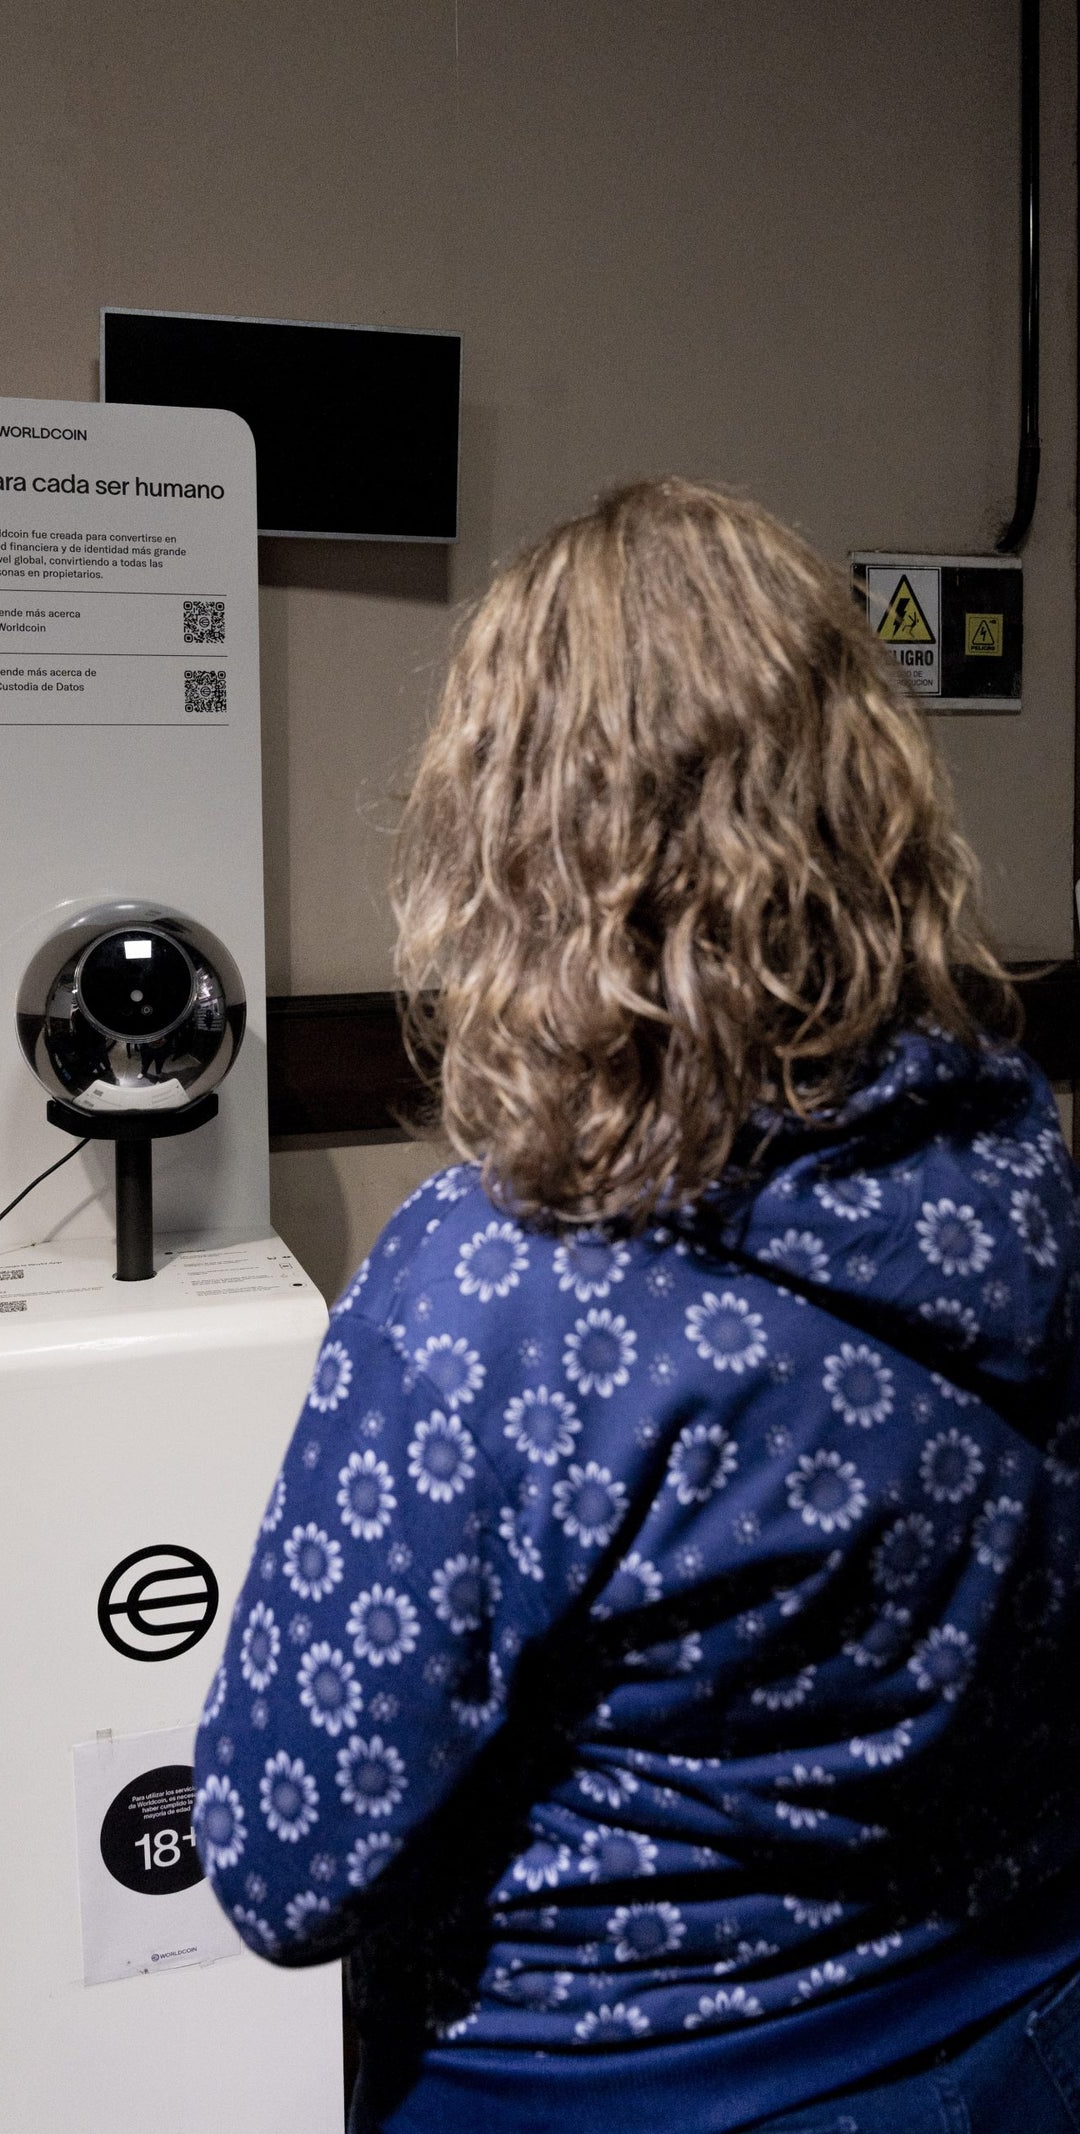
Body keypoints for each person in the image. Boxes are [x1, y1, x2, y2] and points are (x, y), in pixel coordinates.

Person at [193, 480, 1080, 2132]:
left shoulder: (489, 1294)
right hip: (1020, 2036)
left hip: (618, 2077)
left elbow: (278, 1855)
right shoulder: (1026, 1190)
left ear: (513, 842)